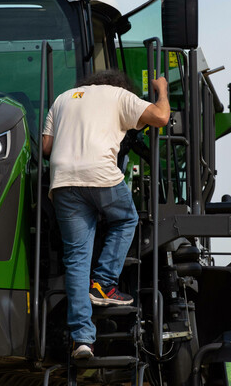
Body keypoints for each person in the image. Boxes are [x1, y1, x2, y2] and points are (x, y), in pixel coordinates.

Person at [42, 70, 169, 359]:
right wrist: (161, 90)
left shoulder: (62, 99)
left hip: (62, 181)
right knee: (126, 219)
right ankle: (104, 283)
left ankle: (83, 340)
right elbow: (161, 117)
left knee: (76, 259)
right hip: (101, 175)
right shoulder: (119, 96)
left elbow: (48, 147)